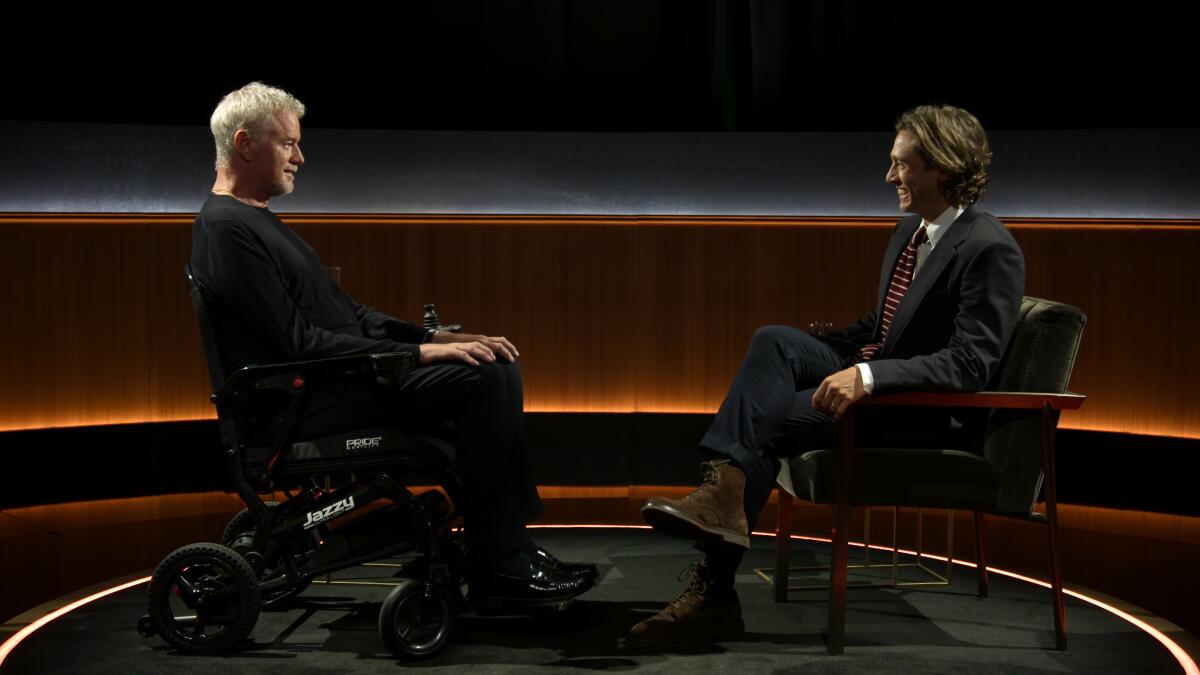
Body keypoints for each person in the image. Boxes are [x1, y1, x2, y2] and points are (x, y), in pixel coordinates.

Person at [190, 82, 596, 608]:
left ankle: (503, 544)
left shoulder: (254, 221)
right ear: (245, 143)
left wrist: (434, 337)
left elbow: (351, 315)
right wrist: (420, 356)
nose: (300, 157)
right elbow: (295, 343)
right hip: (303, 405)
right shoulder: (225, 228)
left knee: (491, 362)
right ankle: (501, 561)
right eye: (289, 143)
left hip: (332, 385)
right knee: (485, 379)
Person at [630, 105, 1025, 644]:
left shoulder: (989, 247)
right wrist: (829, 346)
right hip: (879, 378)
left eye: (901, 165)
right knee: (774, 340)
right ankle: (721, 500)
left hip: (918, 414)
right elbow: (886, 325)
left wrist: (867, 375)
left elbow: (970, 363)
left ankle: (713, 586)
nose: (890, 177)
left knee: (765, 425)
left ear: (943, 169)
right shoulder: (912, 230)